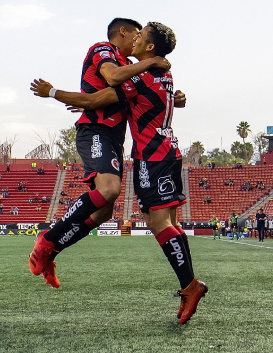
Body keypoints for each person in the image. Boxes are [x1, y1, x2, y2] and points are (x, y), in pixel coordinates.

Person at [31, 22, 206, 324]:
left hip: (151, 154)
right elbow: (108, 86)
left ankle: (190, 286)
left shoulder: (140, 73)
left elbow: (101, 96)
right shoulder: (117, 55)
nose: (137, 39)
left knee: (147, 220)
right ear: (122, 32)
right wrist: (82, 100)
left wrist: (60, 94)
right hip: (153, 147)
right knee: (145, 213)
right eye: (135, 33)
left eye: (142, 35)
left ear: (150, 46)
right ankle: (50, 244)